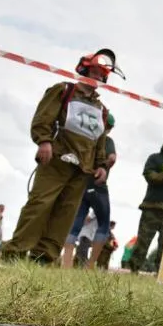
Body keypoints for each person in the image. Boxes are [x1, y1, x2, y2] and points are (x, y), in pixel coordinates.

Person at [1, 49, 122, 264]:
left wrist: (101, 165)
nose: (96, 77)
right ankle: (16, 253)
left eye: (100, 75)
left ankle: (44, 257)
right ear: (83, 70)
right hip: (56, 159)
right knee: (39, 205)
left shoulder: (101, 109)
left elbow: (100, 140)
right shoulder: (63, 91)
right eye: (93, 72)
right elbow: (43, 117)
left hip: (82, 169)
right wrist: (44, 141)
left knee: (65, 214)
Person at [61, 113, 117, 269]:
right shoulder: (107, 140)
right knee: (104, 224)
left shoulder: (86, 136)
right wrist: (104, 166)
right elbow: (112, 158)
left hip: (81, 184)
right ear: (109, 127)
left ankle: (66, 264)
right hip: (98, 185)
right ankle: (90, 265)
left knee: (75, 223)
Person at [127, 132, 163, 273]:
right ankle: (134, 270)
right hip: (152, 207)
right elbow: (151, 177)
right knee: (143, 241)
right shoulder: (154, 158)